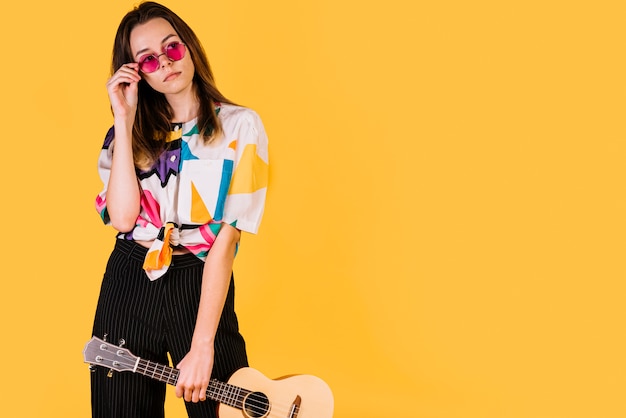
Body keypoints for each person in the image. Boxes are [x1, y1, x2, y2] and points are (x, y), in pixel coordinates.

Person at [89, 2, 269, 417]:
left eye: (171, 48)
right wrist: (123, 117)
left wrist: (203, 344)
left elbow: (228, 237)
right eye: (148, 60)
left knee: (223, 409)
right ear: (137, 73)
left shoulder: (241, 126)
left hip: (200, 280)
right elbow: (122, 219)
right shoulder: (125, 134)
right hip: (129, 279)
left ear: (189, 47)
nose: (164, 64)